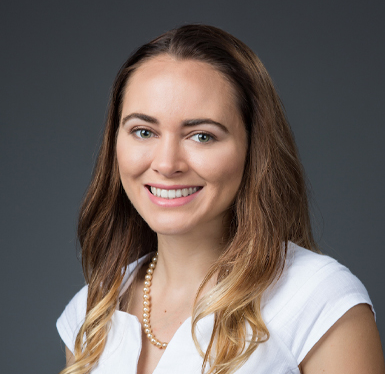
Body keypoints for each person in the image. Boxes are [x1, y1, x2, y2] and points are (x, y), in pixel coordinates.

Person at [57, 24, 385, 374]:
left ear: (252, 149)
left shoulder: (320, 301)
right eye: (144, 131)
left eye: (202, 136)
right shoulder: (89, 313)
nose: (167, 164)